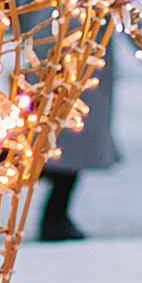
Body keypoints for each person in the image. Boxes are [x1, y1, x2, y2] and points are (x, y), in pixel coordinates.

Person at [33, 33, 117, 240]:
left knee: (66, 147)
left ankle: (56, 214)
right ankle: (55, 217)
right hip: (73, 70)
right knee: (69, 147)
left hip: (76, 69)